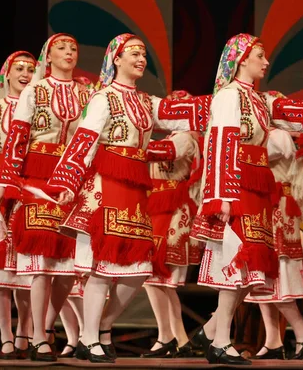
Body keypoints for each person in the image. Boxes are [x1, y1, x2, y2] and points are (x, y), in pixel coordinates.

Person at [46, 33, 204, 363]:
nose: (141, 58)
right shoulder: (103, 99)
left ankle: (101, 326)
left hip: (134, 192)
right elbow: (85, 140)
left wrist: (220, 108)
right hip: (104, 189)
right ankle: (89, 339)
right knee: (101, 269)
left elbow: (183, 116)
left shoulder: (148, 102)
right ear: (116, 59)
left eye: (144, 53)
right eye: (133, 53)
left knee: (139, 271)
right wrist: (66, 181)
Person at [0, 34, 90, 362]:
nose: (69, 53)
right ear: (49, 55)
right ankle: (36, 337)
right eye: (62, 48)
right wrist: (6, 183)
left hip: (72, 179)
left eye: (74, 48)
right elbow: (17, 138)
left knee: (69, 267)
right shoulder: (36, 89)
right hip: (36, 177)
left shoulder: (85, 92)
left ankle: (44, 328)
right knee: (41, 261)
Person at [190, 33, 279, 365]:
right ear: (242, 59)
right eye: (260, 55)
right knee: (236, 262)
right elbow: (220, 145)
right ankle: (220, 340)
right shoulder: (229, 96)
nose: (265, 62)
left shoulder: (255, 98)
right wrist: (221, 196)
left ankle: (214, 332)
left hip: (254, 186)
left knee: (251, 269)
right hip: (237, 186)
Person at [242, 125, 303, 360]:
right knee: (263, 277)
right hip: (267, 203)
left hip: (278, 206)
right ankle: (273, 340)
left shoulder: (278, 136)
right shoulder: (274, 135)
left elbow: (250, 155)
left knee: (277, 275)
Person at [0, 51, 36, 359]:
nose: (26, 73)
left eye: (31, 68)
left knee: (27, 267)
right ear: (7, 74)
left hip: (28, 184)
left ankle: (24, 334)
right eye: (19, 68)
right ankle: (4, 335)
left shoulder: (41, 108)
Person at [141, 128, 203, 358]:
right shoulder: (168, 138)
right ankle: (170, 336)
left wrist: (131, 141)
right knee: (151, 277)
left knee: (164, 280)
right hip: (156, 205)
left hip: (175, 207)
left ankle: (175, 337)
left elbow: (158, 151)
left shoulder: (185, 139)